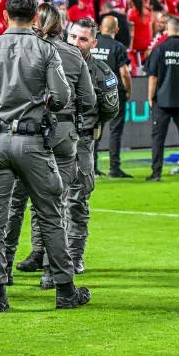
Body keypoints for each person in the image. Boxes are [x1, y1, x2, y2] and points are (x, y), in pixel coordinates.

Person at [0, 0, 90, 312]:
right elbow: (62, 96)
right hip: (33, 141)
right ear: (36, 18)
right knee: (50, 214)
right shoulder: (46, 50)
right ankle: (64, 289)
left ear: (5, 15)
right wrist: (46, 102)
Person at [7, 3, 94, 289]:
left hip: (26, 131)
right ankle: (52, 272)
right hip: (65, 133)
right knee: (56, 202)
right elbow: (90, 100)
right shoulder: (72, 54)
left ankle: (3, 269)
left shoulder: (21, 49)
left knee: (15, 202)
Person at [66, 18, 120, 274]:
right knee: (45, 199)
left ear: (94, 43)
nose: (76, 43)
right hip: (50, 141)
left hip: (82, 142)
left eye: (83, 39)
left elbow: (111, 108)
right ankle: (40, 253)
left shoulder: (102, 72)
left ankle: (75, 255)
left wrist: (90, 124)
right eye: (73, 37)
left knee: (78, 198)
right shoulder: (51, 62)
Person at [146, 17, 179, 181]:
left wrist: (150, 97)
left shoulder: (160, 49)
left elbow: (153, 77)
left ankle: (156, 174)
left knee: (158, 138)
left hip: (162, 100)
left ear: (167, 28)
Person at [91, 15, 132, 178]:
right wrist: (128, 90)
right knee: (115, 131)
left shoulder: (92, 43)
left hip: (93, 92)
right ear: (116, 29)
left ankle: (92, 167)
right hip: (113, 93)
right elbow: (124, 73)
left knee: (94, 131)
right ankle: (114, 168)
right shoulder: (118, 47)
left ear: (100, 28)